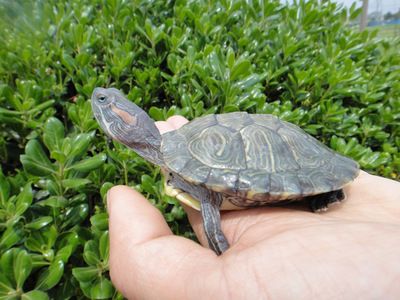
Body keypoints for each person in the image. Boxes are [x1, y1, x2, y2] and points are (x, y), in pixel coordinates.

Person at [107, 116, 400, 299]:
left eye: (109, 108)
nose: (104, 108)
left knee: (208, 197)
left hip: (286, 157)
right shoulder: (182, 146)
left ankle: (326, 187)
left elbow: (210, 201)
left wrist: (219, 245)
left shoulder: (181, 157)